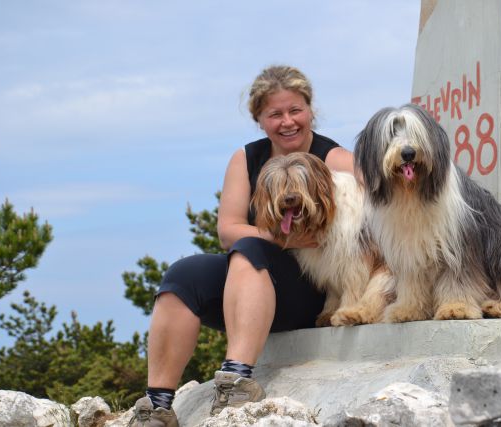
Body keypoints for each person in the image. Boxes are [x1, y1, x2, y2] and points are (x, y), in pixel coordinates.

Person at [130, 65, 354, 426]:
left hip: (313, 290)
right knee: (184, 274)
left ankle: (236, 380)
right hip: (251, 287)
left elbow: (378, 217)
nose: (288, 122)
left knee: (250, 250)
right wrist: (286, 238)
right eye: (275, 114)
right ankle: (157, 404)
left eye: (295, 110)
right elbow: (229, 229)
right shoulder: (246, 158)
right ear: (260, 119)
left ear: (310, 110)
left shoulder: (336, 159)